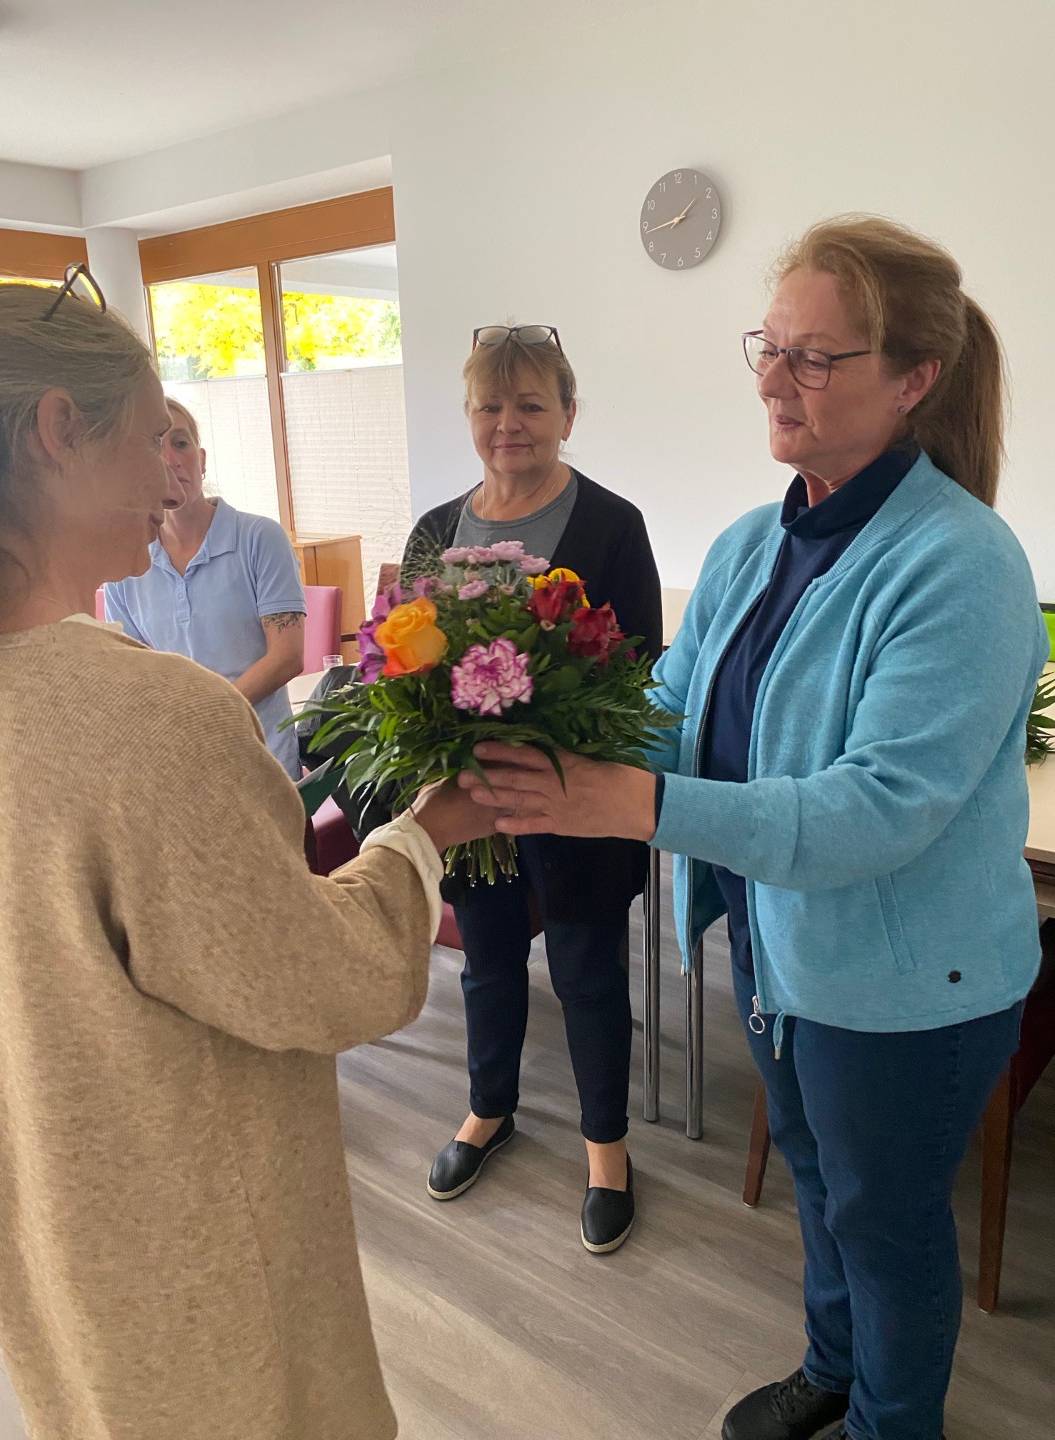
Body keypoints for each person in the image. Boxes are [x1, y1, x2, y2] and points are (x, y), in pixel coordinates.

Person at [460, 222, 1047, 1439]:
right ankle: (833, 1371)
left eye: (815, 357)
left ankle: (894, 1423)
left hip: (908, 988)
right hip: (784, 961)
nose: (775, 379)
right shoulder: (751, 541)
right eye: (768, 348)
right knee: (825, 1195)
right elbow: (669, 713)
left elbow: (875, 810)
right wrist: (548, 758)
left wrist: (638, 805)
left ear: (915, 379)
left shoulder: (961, 564)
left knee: (886, 1228)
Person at [0, 276, 492, 1440]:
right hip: (195, 1248)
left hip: (45, 1227)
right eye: (156, 435)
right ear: (58, 430)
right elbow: (321, 979)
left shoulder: (69, 687)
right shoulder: (143, 716)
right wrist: (422, 833)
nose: (174, 473)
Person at [405, 323, 662, 1253]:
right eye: (489, 405)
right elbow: (409, 662)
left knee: (589, 970)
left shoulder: (611, 525)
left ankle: (606, 1145)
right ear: (469, 415)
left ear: (567, 413)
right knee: (487, 962)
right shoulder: (438, 530)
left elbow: (639, 674)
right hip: (474, 799)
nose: (507, 424)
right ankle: (489, 1110)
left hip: (577, 798)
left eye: (529, 405)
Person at [104, 397, 305, 777]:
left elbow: (287, 657)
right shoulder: (125, 559)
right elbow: (133, 672)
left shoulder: (259, 538)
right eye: (153, 446)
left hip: (264, 763)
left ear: (202, 458)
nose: (170, 459)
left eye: (179, 443)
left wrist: (204, 716)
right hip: (179, 769)